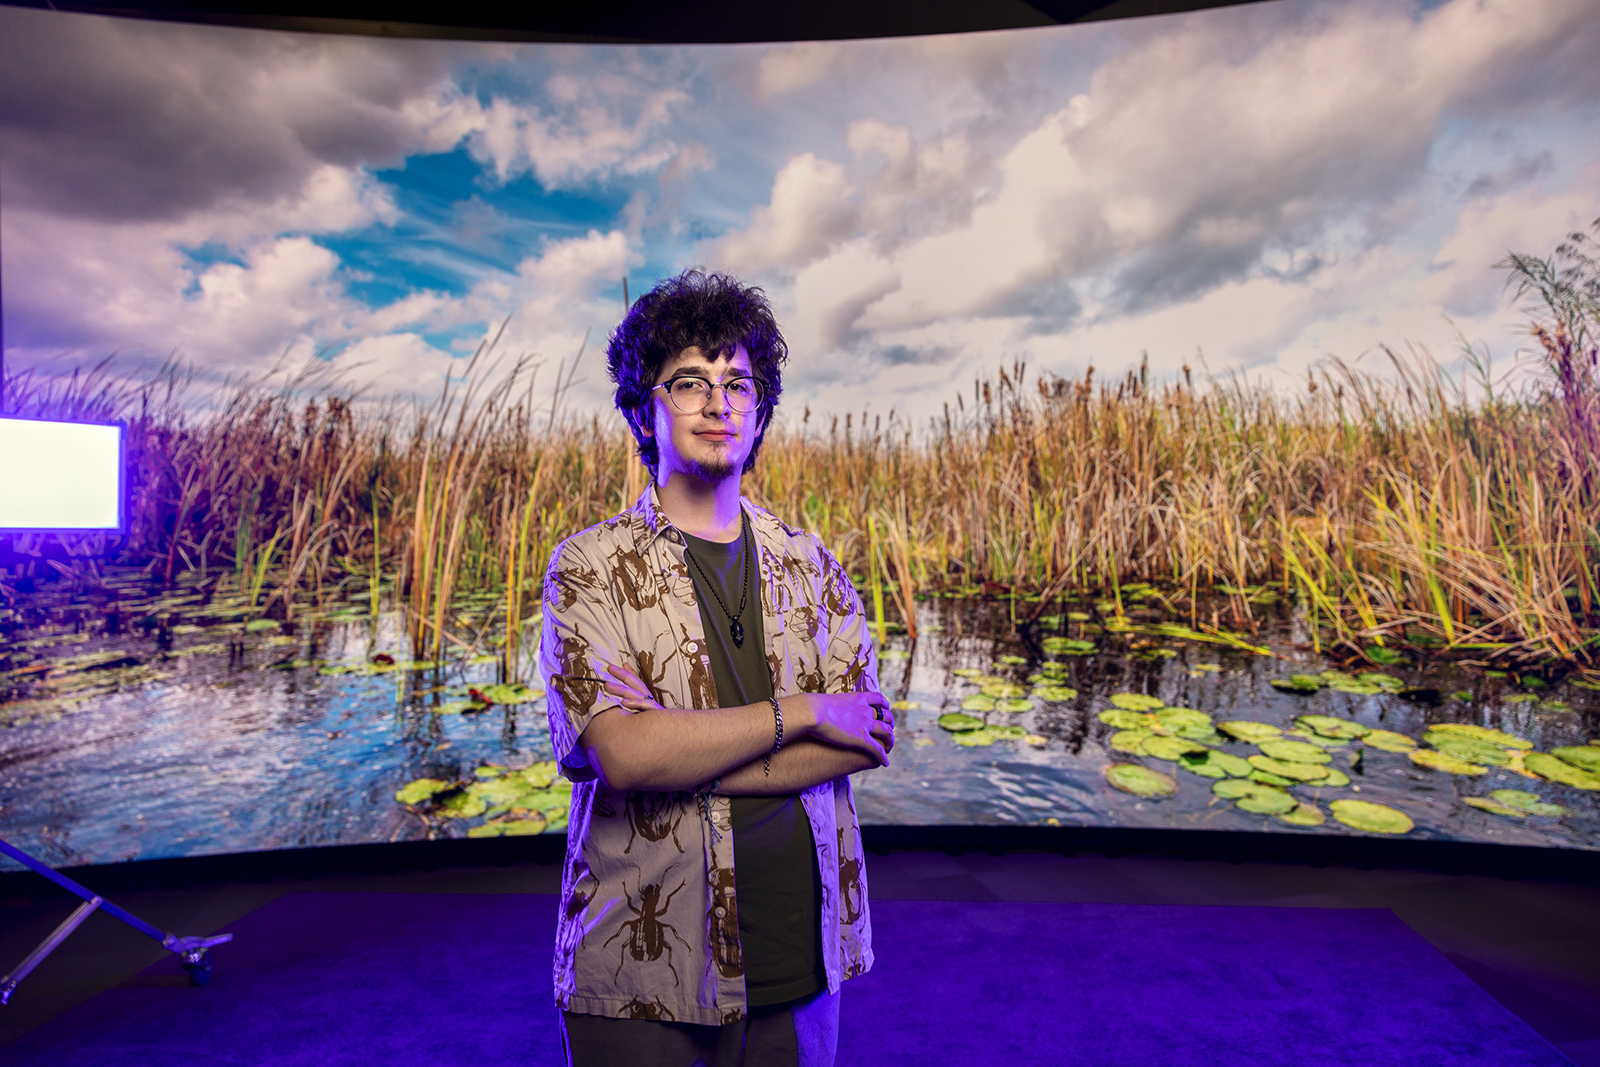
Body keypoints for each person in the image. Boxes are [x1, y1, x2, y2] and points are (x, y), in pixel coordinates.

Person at [540, 268, 894, 1067]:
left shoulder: (814, 566)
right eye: (689, 381)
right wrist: (801, 713)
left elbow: (864, 736)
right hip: (641, 972)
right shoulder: (590, 567)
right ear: (643, 408)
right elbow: (626, 758)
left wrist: (678, 743)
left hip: (803, 956)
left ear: (761, 408)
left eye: (739, 381)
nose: (718, 401)